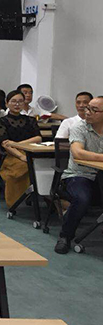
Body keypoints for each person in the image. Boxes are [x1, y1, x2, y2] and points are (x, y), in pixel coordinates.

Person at [55, 96, 103, 254]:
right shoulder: (79, 127)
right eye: (88, 108)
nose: (87, 112)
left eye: (93, 110)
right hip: (79, 175)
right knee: (82, 198)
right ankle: (65, 236)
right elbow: (78, 153)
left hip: (100, 176)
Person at [0, 90, 42, 207]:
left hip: (30, 151)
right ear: (7, 103)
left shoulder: (30, 120)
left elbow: (38, 138)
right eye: (13, 101)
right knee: (24, 165)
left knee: (43, 165)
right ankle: (15, 202)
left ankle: (43, 196)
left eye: (20, 101)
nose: (17, 104)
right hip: (10, 155)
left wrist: (16, 144)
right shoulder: (1, 122)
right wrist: (20, 155)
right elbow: (5, 144)